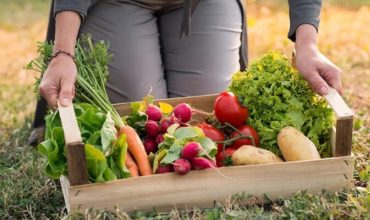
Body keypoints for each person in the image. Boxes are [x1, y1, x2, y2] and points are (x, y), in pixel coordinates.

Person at [29, 0, 342, 143]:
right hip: (117, 2)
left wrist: (307, 43)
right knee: (142, 116)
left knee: (206, 115)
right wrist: (63, 51)